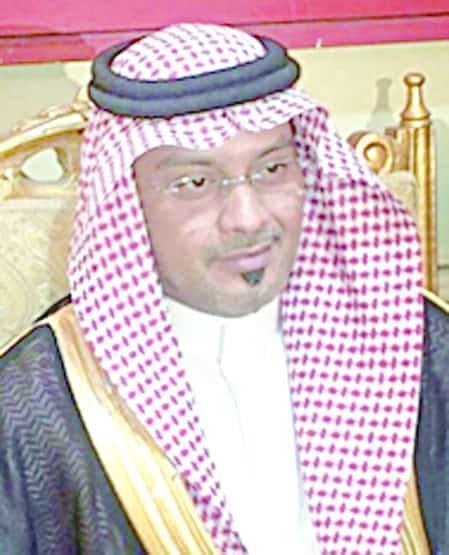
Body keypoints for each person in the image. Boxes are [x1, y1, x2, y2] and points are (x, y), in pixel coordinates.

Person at [0, 22, 447, 555]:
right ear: (128, 201)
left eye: (272, 169)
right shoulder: (35, 403)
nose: (248, 217)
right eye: (195, 183)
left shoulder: (416, 342)